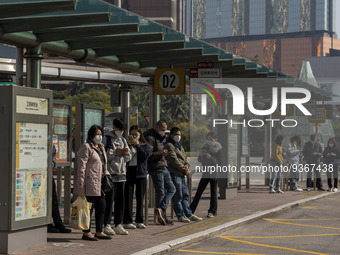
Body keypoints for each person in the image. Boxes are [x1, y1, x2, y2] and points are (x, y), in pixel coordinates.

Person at [74, 125, 112, 241]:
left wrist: (107, 173)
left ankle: (99, 231)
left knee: (102, 206)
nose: (99, 136)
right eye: (97, 134)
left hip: (100, 182)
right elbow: (81, 167)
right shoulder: (86, 147)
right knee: (88, 208)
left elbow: (102, 163)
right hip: (89, 182)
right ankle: (86, 232)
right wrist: (80, 185)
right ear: (91, 135)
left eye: (101, 134)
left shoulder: (101, 147)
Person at [165, 127, 203, 223]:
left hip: (182, 173)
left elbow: (185, 158)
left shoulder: (179, 146)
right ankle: (180, 215)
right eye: (176, 134)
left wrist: (187, 166)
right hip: (175, 173)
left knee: (185, 195)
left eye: (179, 134)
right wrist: (184, 169)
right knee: (178, 195)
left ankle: (188, 213)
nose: (178, 136)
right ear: (172, 135)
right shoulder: (169, 145)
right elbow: (173, 160)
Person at [103, 118, 132, 235]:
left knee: (121, 201)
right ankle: (106, 224)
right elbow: (103, 155)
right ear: (114, 127)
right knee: (109, 200)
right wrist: (115, 152)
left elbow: (128, 157)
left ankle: (118, 224)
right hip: (111, 174)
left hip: (122, 174)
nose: (120, 131)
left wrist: (125, 153)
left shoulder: (123, 140)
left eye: (123, 130)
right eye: (119, 129)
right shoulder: (107, 138)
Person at [144, 120, 176, 225]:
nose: (164, 131)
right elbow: (149, 155)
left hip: (163, 166)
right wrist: (161, 153)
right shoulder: (150, 138)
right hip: (156, 168)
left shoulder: (159, 138)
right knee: (160, 192)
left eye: (165, 129)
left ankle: (160, 209)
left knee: (172, 189)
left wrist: (163, 154)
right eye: (162, 129)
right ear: (157, 127)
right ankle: (161, 215)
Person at [123, 125, 151, 229]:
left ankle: (139, 220)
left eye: (136, 134)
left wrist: (138, 145)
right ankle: (127, 220)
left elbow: (144, 157)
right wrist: (129, 146)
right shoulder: (126, 144)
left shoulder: (145, 145)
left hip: (141, 173)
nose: (134, 136)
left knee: (140, 198)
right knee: (128, 197)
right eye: (132, 134)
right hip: (129, 171)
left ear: (140, 135)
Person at [190, 132, 222, 218]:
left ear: (215, 139)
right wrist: (201, 155)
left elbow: (220, 162)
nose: (209, 141)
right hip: (206, 172)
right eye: (208, 139)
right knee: (198, 192)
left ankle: (212, 211)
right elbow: (200, 160)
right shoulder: (205, 147)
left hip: (214, 173)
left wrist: (209, 157)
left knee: (213, 193)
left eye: (211, 139)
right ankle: (191, 210)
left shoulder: (219, 148)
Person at [47, 144, 72, 233]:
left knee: (53, 200)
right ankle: (49, 223)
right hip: (38, 174)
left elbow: (53, 160)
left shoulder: (52, 145)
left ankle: (58, 224)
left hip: (47, 174)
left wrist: (50, 164)